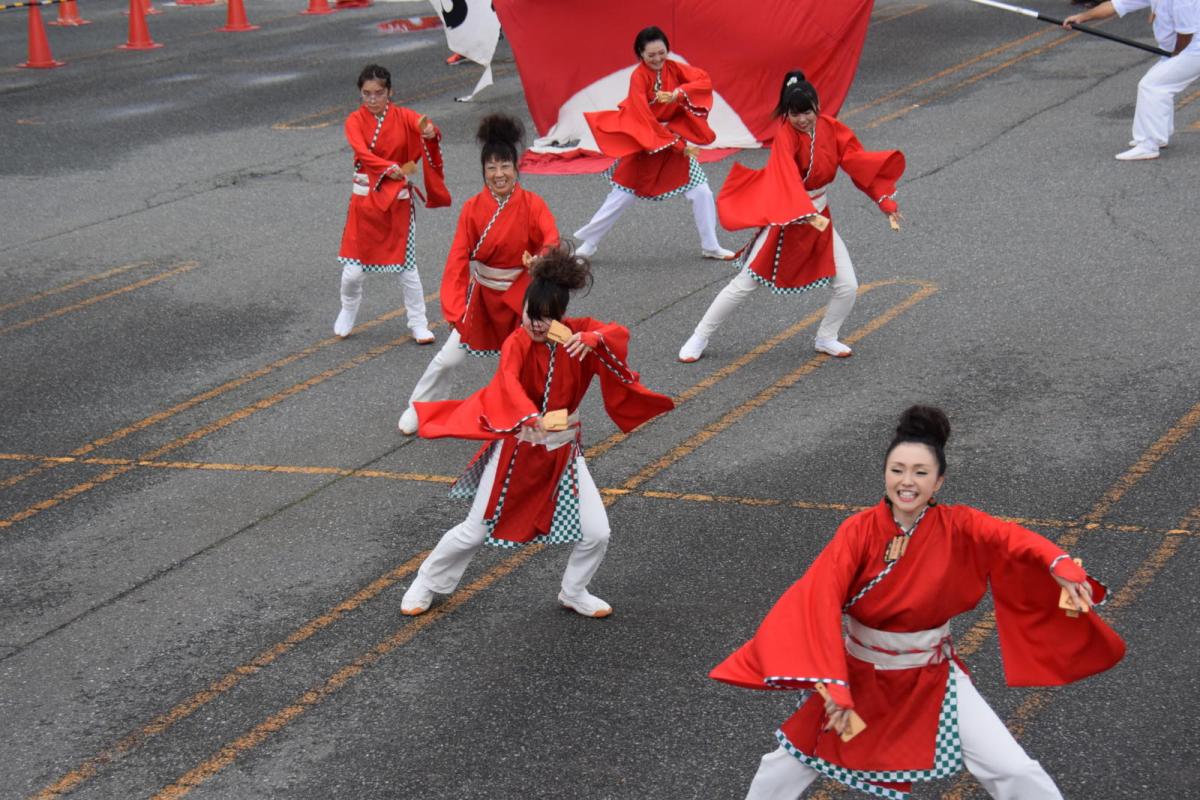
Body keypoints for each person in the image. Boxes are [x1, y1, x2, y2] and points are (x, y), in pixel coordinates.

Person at [710, 406, 1126, 800]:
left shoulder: (960, 525)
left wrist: (1058, 565)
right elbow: (815, 599)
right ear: (885, 474)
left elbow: (1012, 539)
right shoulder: (857, 531)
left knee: (1013, 769)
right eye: (897, 470)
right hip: (857, 678)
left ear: (938, 482)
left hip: (933, 677)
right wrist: (831, 681)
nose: (907, 481)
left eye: (920, 472)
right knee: (784, 766)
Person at [400, 245, 675, 618]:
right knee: (475, 530)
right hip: (518, 450)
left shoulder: (578, 337)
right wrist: (528, 415)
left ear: (560, 315)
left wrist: (595, 340)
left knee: (597, 532)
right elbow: (507, 382)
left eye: (545, 318)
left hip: (564, 452)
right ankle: (428, 581)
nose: (535, 324)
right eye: (531, 314)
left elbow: (615, 333)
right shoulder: (517, 341)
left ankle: (574, 591)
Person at [677, 71, 904, 363]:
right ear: (786, 113)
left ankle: (826, 336)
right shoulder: (785, 135)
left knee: (847, 285)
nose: (802, 119)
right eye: (794, 113)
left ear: (817, 107)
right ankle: (700, 335)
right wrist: (804, 213)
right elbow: (785, 177)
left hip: (819, 218)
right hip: (787, 218)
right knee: (744, 284)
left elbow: (856, 162)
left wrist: (883, 202)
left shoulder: (831, 128)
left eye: (807, 112)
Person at [398, 113, 559, 435]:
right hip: (483, 298)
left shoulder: (533, 204)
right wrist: (455, 305)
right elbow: (458, 257)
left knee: (537, 359)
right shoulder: (472, 208)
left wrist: (539, 260)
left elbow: (551, 240)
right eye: (491, 168)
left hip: (521, 297)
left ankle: (537, 414)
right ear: (483, 172)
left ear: (516, 169)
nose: (499, 174)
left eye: (505, 167)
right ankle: (420, 407)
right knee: (448, 360)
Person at [572, 25, 734, 261]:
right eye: (651, 55)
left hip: (673, 140)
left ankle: (710, 245)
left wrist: (679, 93)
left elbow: (703, 81)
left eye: (662, 52)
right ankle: (589, 244)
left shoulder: (674, 68)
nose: (658, 59)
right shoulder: (638, 77)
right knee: (621, 196)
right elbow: (643, 118)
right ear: (640, 55)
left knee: (701, 192)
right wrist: (679, 146)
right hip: (647, 141)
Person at [333, 64, 451, 342]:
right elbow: (362, 152)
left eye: (378, 93)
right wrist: (388, 168)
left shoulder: (402, 116)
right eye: (366, 94)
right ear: (360, 93)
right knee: (353, 271)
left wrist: (430, 131)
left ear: (390, 92)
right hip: (366, 201)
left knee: (406, 267)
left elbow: (421, 123)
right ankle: (348, 309)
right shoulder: (354, 121)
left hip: (397, 200)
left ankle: (418, 323)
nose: (372, 99)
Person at [1064, 0, 1200, 160]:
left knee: (1152, 86)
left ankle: (1148, 145)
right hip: (1181, 50)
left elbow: (1186, 33)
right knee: (1157, 83)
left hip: (1192, 51)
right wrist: (1082, 17)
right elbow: (1116, 5)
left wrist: (1175, 55)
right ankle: (1159, 136)